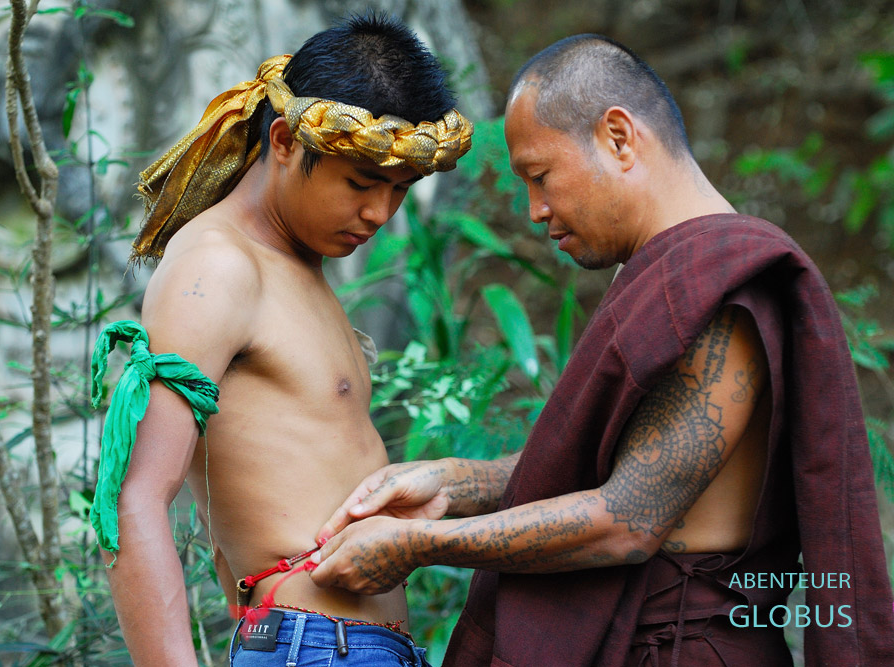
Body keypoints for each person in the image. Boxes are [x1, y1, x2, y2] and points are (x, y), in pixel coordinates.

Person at [309, 34, 894, 665]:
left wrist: (421, 543)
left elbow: (628, 520)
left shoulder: (720, 285)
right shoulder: (664, 274)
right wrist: (455, 481)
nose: (535, 210)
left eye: (540, 176)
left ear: (618, 138)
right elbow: (612, 471)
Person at [88, 13, 472, 666]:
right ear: (286, 141)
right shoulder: (218, 266)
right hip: (312, 646)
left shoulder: (294, 265)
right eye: (359, 182)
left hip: (355, 646)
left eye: (399, 190)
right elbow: (134, 496)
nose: (380, 213)